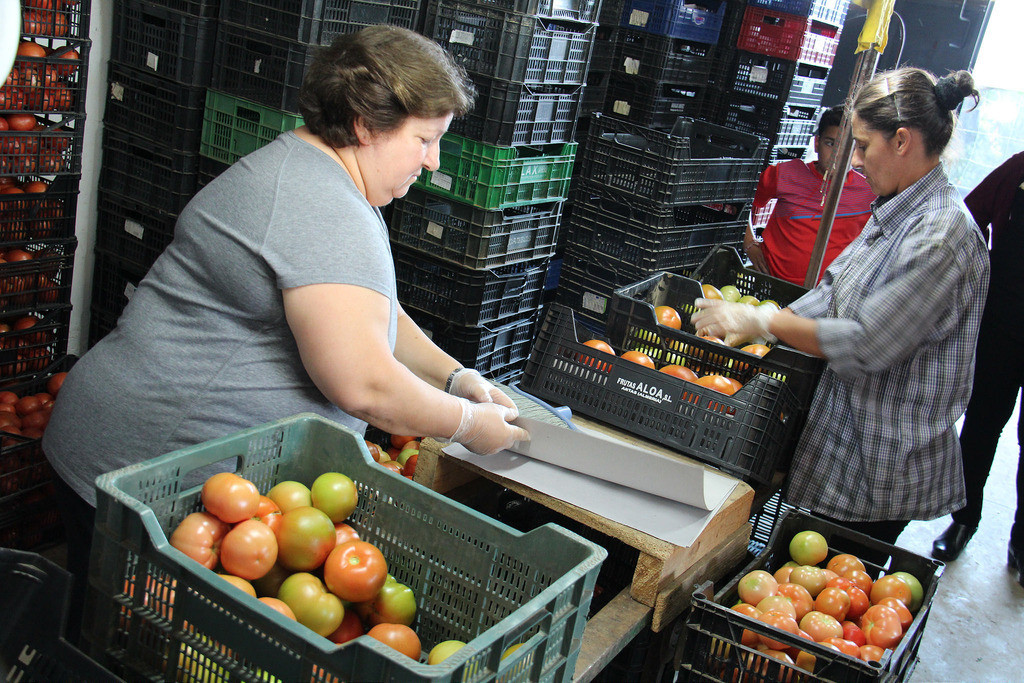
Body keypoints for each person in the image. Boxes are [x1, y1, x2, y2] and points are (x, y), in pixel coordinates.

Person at [42, 25, 528, 641]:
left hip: (115, 448)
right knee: (128, 649)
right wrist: (465, 424)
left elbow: (368, 309)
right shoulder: (325, 208)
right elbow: (364, 386)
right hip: (144, 470)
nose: (433, 162)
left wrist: (456, 376)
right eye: (425, 140)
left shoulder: (303, 170)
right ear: (362, 125)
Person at [692, 68, 989, 552]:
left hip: (878, 469)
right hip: (841, 448)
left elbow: (867, 341)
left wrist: (764, 320)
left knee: (835, 592)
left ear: (901, 141)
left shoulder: (940, 235)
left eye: (863, 146)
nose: (853, 161)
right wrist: (750, 326)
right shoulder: (896, 210)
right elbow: (832, 291)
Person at [931, 151, 1024, 584]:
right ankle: (963, 520)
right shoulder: (1020, 168)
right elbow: (972, 212)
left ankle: (1022, 541)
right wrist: (985, 268)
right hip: (1005, 319)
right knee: (983, 425)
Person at [744, 105, 876, 286]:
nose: (837, 155)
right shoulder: (786, 174)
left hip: (825, 294)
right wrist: (748, 242)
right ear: (816, 143)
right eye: (830, 143)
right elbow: (741, 197)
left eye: (847, 147)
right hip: (770, 283)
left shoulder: (870, 191)